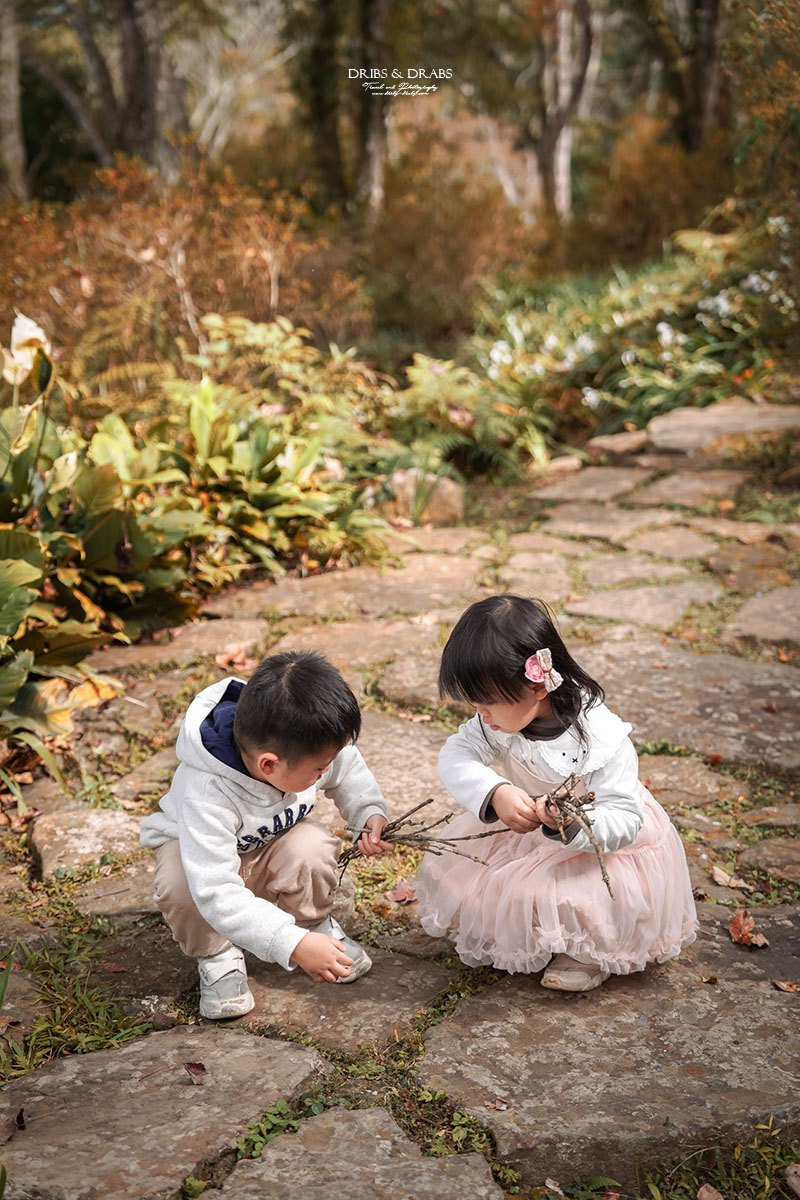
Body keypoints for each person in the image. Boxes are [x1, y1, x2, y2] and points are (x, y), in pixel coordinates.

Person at [416, 594, 697, 992]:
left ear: (536, 687)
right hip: (529, 835)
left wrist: (570, 822)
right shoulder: (496, 721)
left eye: (488, 702)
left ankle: (585, 951)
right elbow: (456, 754)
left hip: (597, 843)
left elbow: (624, 818)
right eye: (474, 702)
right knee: (463, 878)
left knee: (585, 898)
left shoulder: (601, 738)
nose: (481, 714)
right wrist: (495, 791)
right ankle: (534, 932)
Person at [140, 649, 391, 1019]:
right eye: (318, 769)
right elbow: (216, 891)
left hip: (268, 848)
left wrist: (367, 812)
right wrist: (291, 944)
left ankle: (313, 922)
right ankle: (217, 954)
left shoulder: (303, 743)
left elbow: (347, 768)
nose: (326, 772)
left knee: (313, 847)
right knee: (181, 884)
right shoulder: (208, 791)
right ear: (269, 764)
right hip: (203, 867)